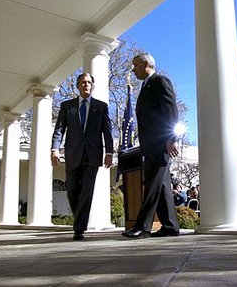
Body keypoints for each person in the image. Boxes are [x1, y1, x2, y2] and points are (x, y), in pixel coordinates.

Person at [122, 53, 180, 239]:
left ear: (146, 64)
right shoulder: (146, 86)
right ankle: (170, 226)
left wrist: (171, 138)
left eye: (135, 65)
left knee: (151, 185)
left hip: (160, 143)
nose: (133, 69)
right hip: (151, 144)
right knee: (161, 186)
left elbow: (170, 111)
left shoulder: (160, 81)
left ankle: (143, 227)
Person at [51, 73, 114, 241]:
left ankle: (79, 228)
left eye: (89, 82)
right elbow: (59, 130)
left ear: (92, 86)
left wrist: (109, 153)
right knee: (71, 189)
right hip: (72, 154)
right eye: (83, 82)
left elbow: (107, 131)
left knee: (87, 191)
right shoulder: (67, 106)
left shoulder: (101, 107)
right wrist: (54, 149)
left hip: (92, 155)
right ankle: (79, 222)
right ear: (78, 86)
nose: (86, 85)